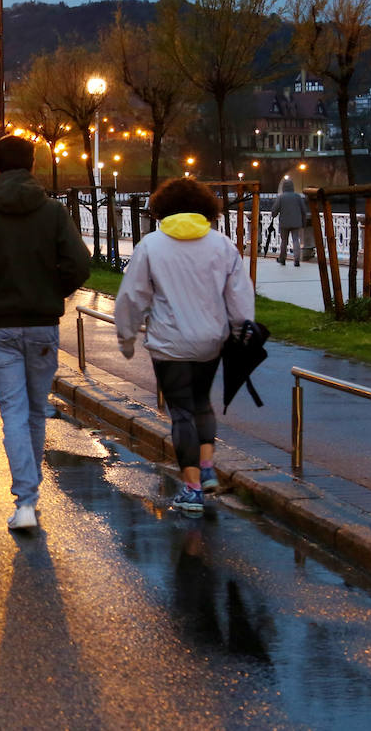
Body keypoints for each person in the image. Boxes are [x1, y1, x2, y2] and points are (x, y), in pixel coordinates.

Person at [0, 136, 92, 531]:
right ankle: (31, 493)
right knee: (36, 409)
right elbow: (80, 264)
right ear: (33, 166)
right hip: (43, 326)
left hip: (2, 326)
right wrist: (53, 291)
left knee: (13, 410)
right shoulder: (54, 212)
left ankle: (25, 501)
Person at [114, 178, 256, 515]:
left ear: (161, 208)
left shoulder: (151, 246)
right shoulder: (222, 245)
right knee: (202, 402)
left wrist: (126, 337)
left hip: (169, 343)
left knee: (181, 412)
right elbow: (239, 296)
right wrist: (241, 331)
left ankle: (192, 491)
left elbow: (132, 297)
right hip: (211, 341)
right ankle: (206, 468)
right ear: (206, 208)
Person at [270, 176, 310, 267]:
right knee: (296, 240)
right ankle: (297, 259)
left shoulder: (281, 197)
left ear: (283, 187)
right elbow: (304, 210)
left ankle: (282, 259)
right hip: (296, 222)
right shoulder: (297, 197)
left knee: (284, 241)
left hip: (284, 223)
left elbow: (274, 210)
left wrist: (274, 215)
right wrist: (303, 222)